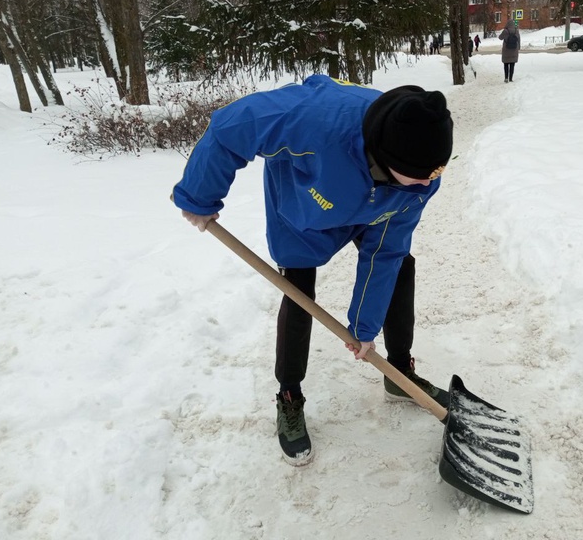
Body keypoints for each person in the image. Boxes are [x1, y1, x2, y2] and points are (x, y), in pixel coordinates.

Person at [172, 76, 453, 466]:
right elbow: (229, 128)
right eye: (423, 174)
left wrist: (363, 329)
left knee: (400, 266)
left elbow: (383, 254)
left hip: (374, 207)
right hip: (304, 208)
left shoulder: (420, 181)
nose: (430, 182)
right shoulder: (314, 118)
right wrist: (199, 195)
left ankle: (398, 372)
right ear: (389, 157)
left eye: (435, 172)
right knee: (298, 294)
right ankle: (289, 395)